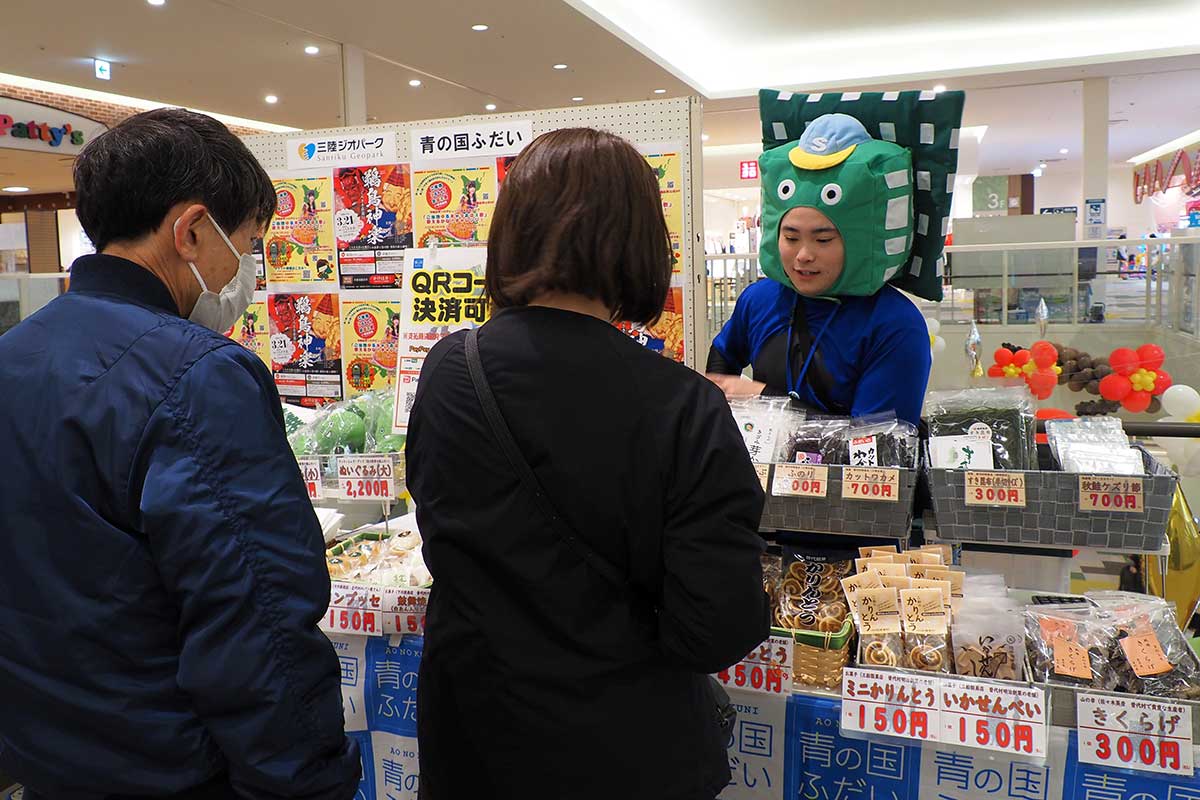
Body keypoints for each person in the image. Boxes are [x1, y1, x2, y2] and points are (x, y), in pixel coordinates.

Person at [0, 109, 360, 799]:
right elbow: (258, 622)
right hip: (174, 767)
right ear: (192, 231)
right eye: (249, 243)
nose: (246, 271)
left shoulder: (15, 354)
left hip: (46, 758)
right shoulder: (197, 375)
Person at [406, 127, 770, 800]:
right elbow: (716, 626)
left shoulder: (450, 370)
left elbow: (446, 539)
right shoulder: (684, 405)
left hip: (475, 740)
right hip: (628, 750)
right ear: (638, 243)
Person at [705, 113, 940, 426]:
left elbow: (876, 449)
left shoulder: (896, 325)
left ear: (859, 241)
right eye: (790, 237)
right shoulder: (759, 299)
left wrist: (763, 397)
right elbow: (723, 355)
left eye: (823, 239)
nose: (803, 255)